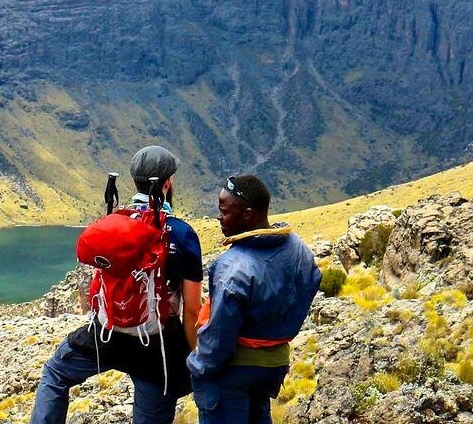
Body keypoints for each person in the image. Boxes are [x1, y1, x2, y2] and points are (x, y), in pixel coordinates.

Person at [31, 145, 204, 424]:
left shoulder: (115, 223)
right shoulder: (182, 234)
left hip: (106, 333)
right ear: (168, 182)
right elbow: (193, 310)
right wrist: (195, 359)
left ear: (133, 179)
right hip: (155, 345)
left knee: (55, 373)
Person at [188, 174, 321, 424]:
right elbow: (312, 279)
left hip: (233, 372)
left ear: (247, 215)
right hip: (273, 366)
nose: (218, 217)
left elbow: (219, 340)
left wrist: (197, 366)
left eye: (224, 211)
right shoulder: (298, 248)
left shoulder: (232, 267)